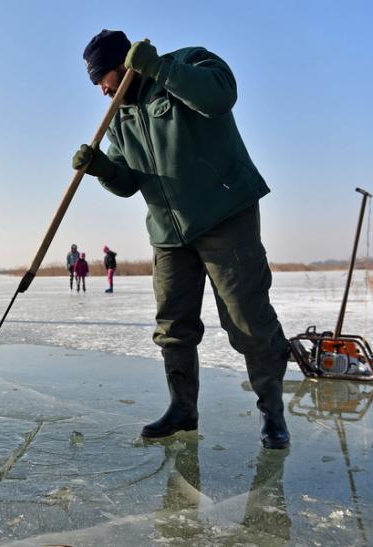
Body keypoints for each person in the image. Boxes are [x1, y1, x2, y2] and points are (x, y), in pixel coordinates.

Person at [72, 30, 290, 449]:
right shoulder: (120, 116)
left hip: (224, 215)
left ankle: (273, 414)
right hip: (169, 235)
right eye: (96, 83)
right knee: (173, 327)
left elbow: (219, 97)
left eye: (104, 78)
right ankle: (182, 409)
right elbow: (128, 182)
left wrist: (159, 68)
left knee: (249, 319)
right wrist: (101, 168)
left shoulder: (190, 62)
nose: (102, 90)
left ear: (126, 64)